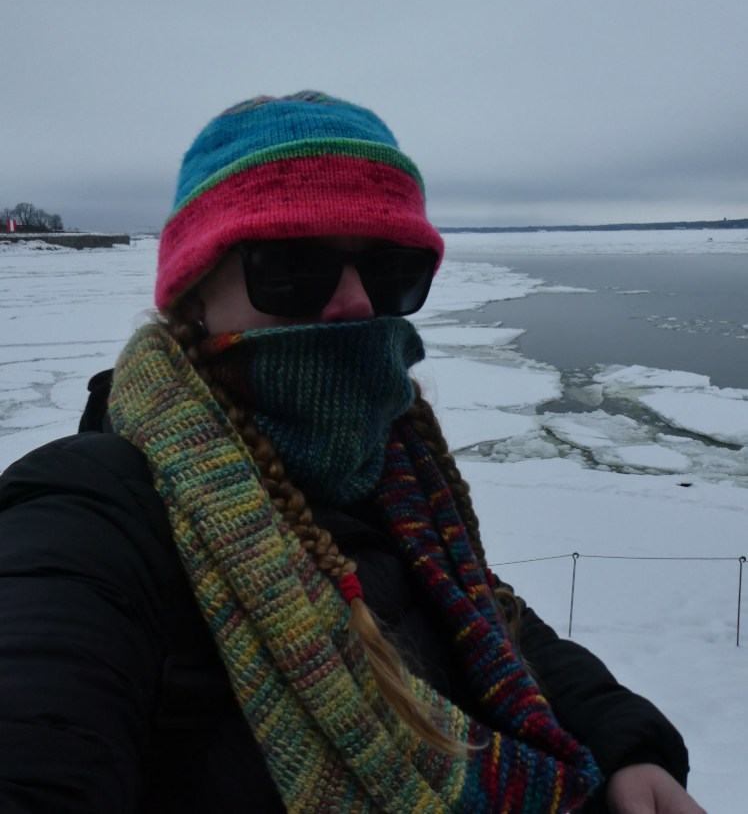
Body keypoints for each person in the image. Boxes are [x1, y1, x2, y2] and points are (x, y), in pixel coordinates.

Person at [0, 91, 706, 813]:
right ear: (196, 294)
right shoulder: (92, 515)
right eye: (292, 268)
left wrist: (623, 742)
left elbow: (483, 614)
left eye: (391, 270)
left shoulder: (398, 473)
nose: (355, 306)